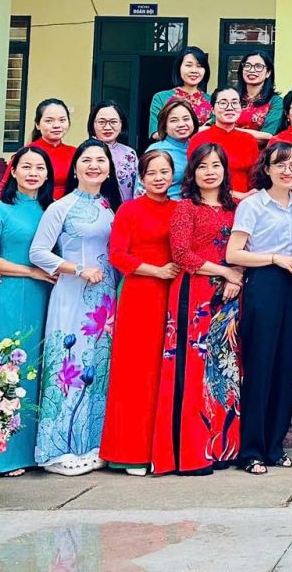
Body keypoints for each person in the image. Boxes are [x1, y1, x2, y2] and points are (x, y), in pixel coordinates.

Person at [30, 139, 122, 475]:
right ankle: (57, 450)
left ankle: (92, 444)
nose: (94, 165)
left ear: (109, 169)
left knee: (98, 367)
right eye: (87, 160)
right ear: (75, 167)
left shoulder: (111, 206)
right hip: (73, 294)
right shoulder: (61, 206)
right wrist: (77, 269)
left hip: (106, 297)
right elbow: (38, 252)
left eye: (101, 160)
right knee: (68, 366)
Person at [151, 144, 243, 475]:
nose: (210, 172)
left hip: (230, 298)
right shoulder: (185, 208)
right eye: (203, 166)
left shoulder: (237, 208)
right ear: (193, 172)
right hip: (194, 294)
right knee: (192, 370)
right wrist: (226, 272)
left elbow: (247, 246)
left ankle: (224, 448)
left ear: (225, 170)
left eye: (216, 165)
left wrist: (237, 274)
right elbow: (181, 255)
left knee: (225, 369)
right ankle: (190, 453)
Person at [0, 146, 56, 477]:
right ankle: (1, 455)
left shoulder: (51, 209)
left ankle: (37, 449)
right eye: (27, 167)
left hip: (49, 295)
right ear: (14, 171)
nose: (33, 173)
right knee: (12, 368)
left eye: (40, 168)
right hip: (13, 295)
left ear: (48, 175)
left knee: (42, 370)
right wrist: (31, 272)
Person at [227, 142, 292, 474]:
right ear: (267, 168)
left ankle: (275, 446)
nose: (287, 171)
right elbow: (233, 253)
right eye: (280, 164)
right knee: (260, 366)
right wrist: (274, 258)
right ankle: (251, 450)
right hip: (264, 283)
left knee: (286, 368)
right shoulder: (253, 204)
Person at [99, 149, 180, 474]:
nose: (159, 178)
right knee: (135, 373)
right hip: (139, 294)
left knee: (164, 373)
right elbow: (118, 255)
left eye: (164, 172)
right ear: (141, 178)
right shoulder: (129, 210)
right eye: (152, 173)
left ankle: (161, 449)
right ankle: (129, 452)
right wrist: (156, 271)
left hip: (172, 295)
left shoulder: (180, 209)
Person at [187, 86, 264, 193]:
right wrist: (237, 196)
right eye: (223, 103)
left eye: (235, 103)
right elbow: (194, 179)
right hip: (209, 199)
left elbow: (254, 178)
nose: (230, 108)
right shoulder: (199, 139)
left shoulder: (249, 140)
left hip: (245, 201)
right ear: (213, 110)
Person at [148, 47, 213, 135]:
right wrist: (197, 131)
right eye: (188, 65)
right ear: (179, 67)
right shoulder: (161, 98)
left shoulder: (212, 101)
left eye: (199, 66)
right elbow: (156, 133)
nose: (194, 71)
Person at [89, 101, 138, 200]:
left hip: (125, 208)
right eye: (101, 122)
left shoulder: (129, 153)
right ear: (92, 124)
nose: (107, 127)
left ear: (121, 124)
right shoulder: (85, 152)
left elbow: (138, 187)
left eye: (113, 122)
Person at [23, 98, 77, 187]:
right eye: (49, 121)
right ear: (37, 124)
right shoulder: (26, 153)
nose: (56, 125)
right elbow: (6, 187)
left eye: (62, 120)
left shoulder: (75, 153)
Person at [145, 99, 197, 182]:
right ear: (164, 126)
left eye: (186, 119)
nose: (181, 124)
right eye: (174, 120)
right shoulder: (155, 151)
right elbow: (142, 186)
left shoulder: (198, 148)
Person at [235, 50, 284, 134]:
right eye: (247, 65)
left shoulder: (276, 101)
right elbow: (215, 124)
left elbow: (267, 134)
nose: (252, 70)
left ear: (268, 73)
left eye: (258, 66)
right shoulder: (232, 97)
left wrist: (230, 131)